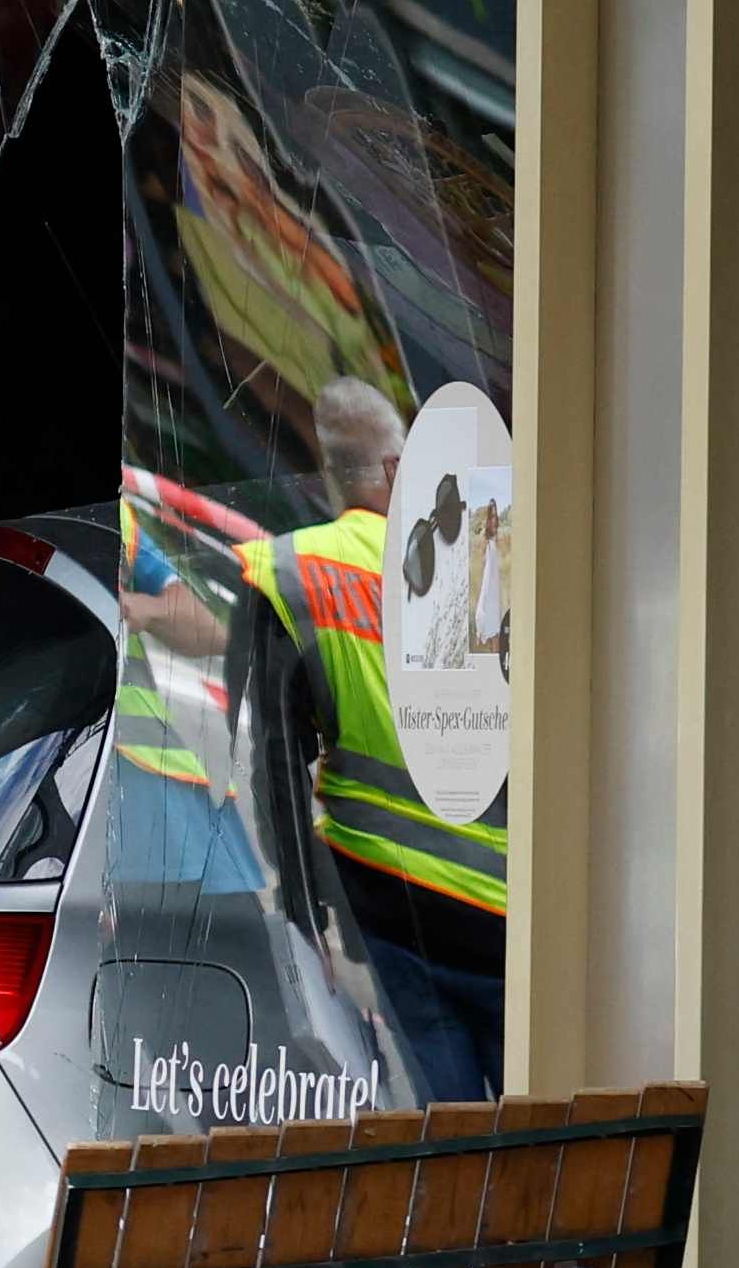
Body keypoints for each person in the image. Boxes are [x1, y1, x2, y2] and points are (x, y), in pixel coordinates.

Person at [182, 379, 513, 1104]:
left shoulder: (292, 573)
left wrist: (307, 926)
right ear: (399, 470)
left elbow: (275, 772)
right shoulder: (483, 565)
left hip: (393, 917)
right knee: (539, 1154)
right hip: (509, 917)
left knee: (446, 1148)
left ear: (333, 474)